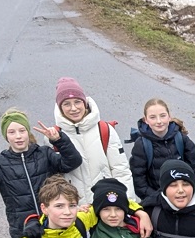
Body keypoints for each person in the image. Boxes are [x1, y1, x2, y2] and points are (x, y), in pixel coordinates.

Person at [0, 108, 83, 238]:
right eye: (12, 132)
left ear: (28, 132)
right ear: (6, 136)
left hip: (54, 226)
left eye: (22, 130)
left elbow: (72, 162)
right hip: (24, 231)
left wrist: (59, 140)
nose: (18, 136)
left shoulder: (44, 153)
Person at [53, 76, 135, 205]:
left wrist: (129, 205)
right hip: (76, 212)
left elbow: (121, 171)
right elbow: (54, 181)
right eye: (66, 104)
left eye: (77, 102)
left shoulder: (104, 130)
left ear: (84, 102)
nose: (73, 108)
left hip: (107, 206)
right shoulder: (54, 137)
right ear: (60, 107)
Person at [129, 97, 195, 209]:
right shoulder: (141, 145)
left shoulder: (182, 139)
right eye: (152, 117)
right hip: (157, 204)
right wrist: (160, 200)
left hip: (185, 200)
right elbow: (139, 181)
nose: (159, 121)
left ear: (169, 116)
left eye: (162, 115)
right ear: (145, 120)